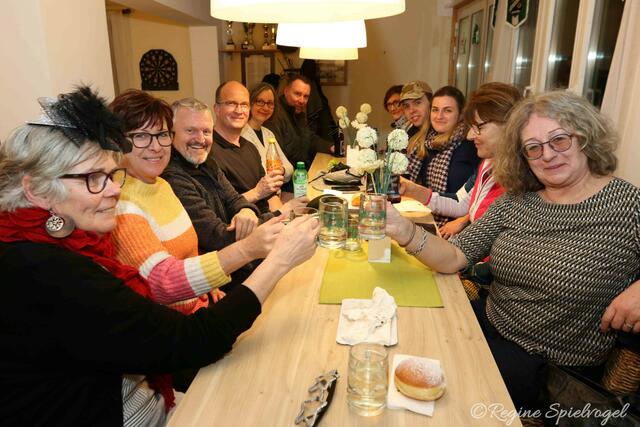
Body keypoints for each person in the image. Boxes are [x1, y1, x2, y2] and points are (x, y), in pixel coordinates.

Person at [0, 86, 320, 425]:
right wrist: (278, 261)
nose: (114, 189)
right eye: (93, 178)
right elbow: (191, 340)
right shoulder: (51, 272)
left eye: (110, 175)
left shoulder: (57, 242)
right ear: (35, 190)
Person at [385, 90, 640, 412]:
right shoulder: (515, 201)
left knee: (429, 390)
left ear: (586, 137)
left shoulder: (627, 204)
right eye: (533, 148)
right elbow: (455, 256)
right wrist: (405, 231)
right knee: (405, 336)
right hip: (487, 326)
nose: (547, 155)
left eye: (559, 140)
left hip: (547, 370)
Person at [109, 89, 281, 315]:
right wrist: (250, 247)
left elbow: (189, 250)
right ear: (117, 142)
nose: (156, 146)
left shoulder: (161, 185)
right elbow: (162, 283)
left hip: (203, 299)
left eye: (161, 134)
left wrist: (208, 285)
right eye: (141, 136)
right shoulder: (120, 202)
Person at [401, 82, 522, 240]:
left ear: (508, 125)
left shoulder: (521, 182)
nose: (470, 136)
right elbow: (460, 202)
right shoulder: (488, 164)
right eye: (435, 110)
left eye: (478, 127)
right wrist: (410, 189)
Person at [404, 85, 480, 225]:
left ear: (460, 114)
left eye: (447, 110)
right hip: (430, 218)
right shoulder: (429, 143)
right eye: (435, 110)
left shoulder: (472, 145)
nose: (439, 116)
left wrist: (463, 221)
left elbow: (482, 196)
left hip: (460, 226)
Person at [265, 73, 334, 169]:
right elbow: (278, 156)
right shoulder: (275, 116)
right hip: (289, 175)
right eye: (297, 94)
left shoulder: (299, 114)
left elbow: (310, 139)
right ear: (286, 91)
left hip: (302, 171)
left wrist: (330, 147)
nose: (302, 100)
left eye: (306, 96)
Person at [241, 82, 294, 200]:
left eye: (270, 103)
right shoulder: (241, 135)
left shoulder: (268, 133)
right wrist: (278, 172)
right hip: (260, 200)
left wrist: (281, 170)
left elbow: (289, 168)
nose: (265, 108)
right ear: (250, 103)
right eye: (260, 102)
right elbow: (258, 176)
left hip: (276, 195)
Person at [300, 59, 339, 145]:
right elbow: (314, 110)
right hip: (320, 121)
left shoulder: (312, 84)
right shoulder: (309, 85)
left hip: (321, 121)